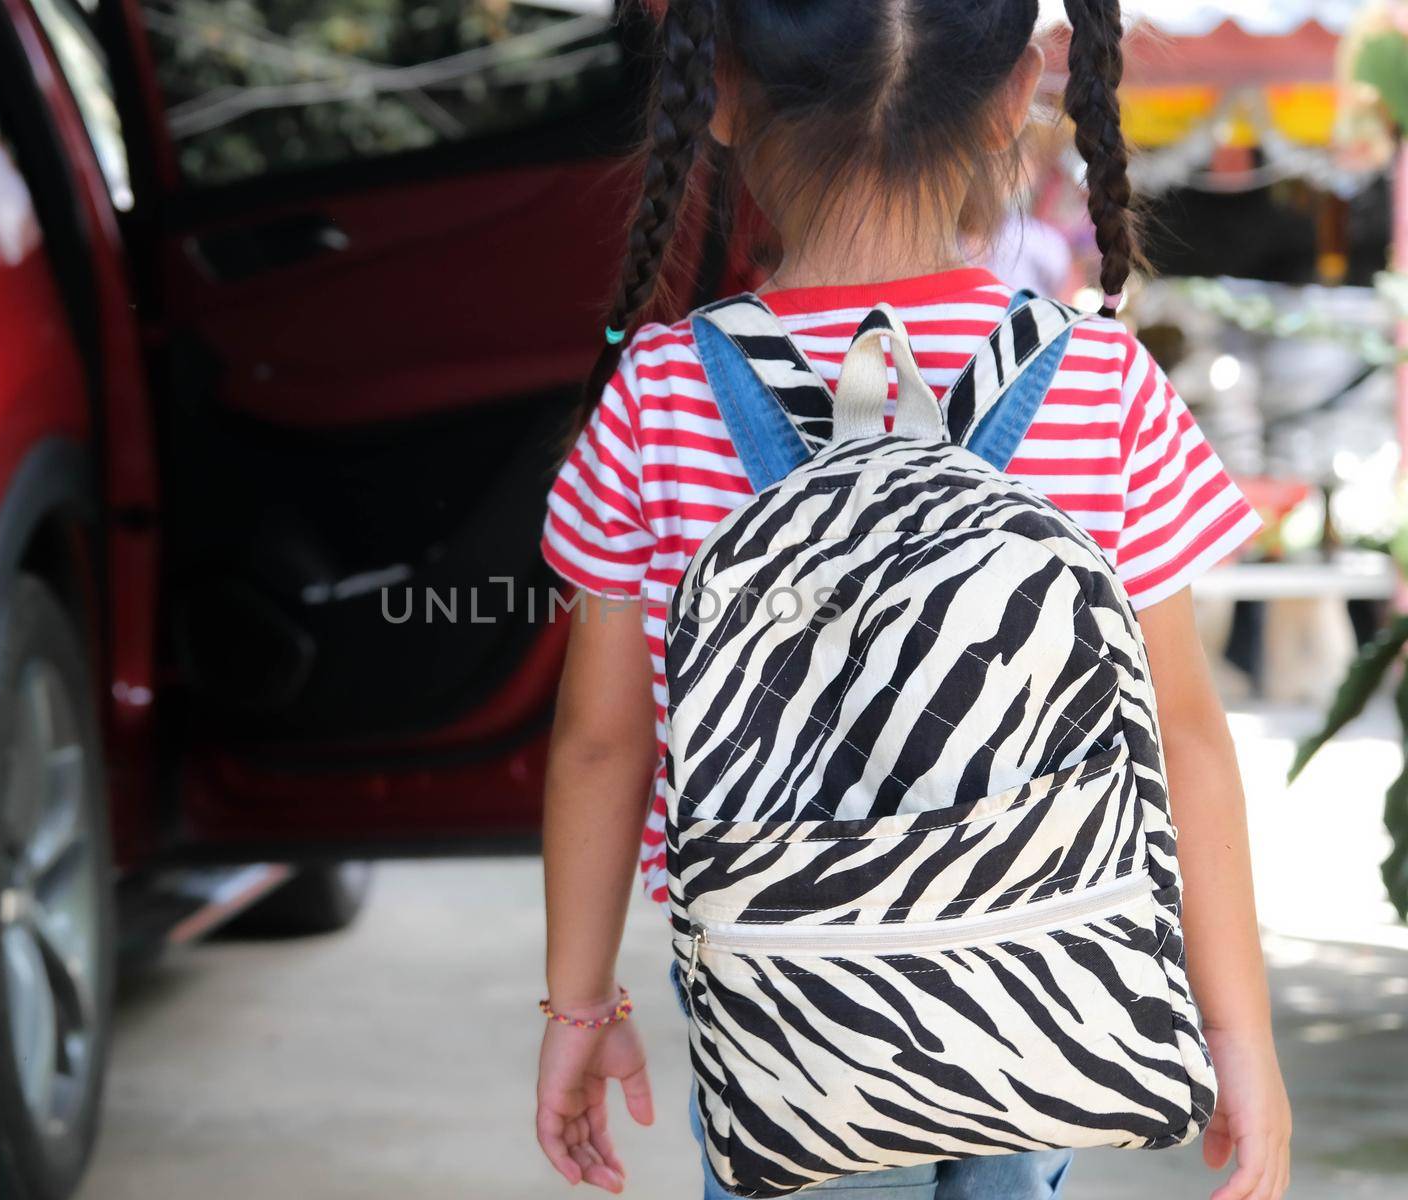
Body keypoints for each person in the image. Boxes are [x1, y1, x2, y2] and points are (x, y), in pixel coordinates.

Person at [534, 3, 1292, 1198]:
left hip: (783, 973)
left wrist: (580, 1009)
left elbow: (597, 744)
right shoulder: (1100, 383)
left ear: (720, 93)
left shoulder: (661, 393)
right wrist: (1238, 1033)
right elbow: (1183, 735)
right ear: (1019, 95)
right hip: (1040, 941)